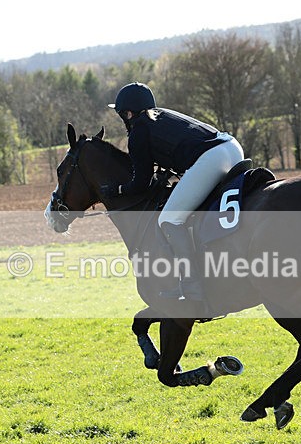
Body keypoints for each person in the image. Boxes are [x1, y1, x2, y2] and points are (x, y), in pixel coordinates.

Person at [103, 82, 245, 301]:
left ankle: (191, 286)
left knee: (169, 219)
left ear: (128, 113)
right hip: (232, 147)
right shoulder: (161, 115)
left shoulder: (139, 131)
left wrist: (118, 189)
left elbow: (140, 183)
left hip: (212, 159)